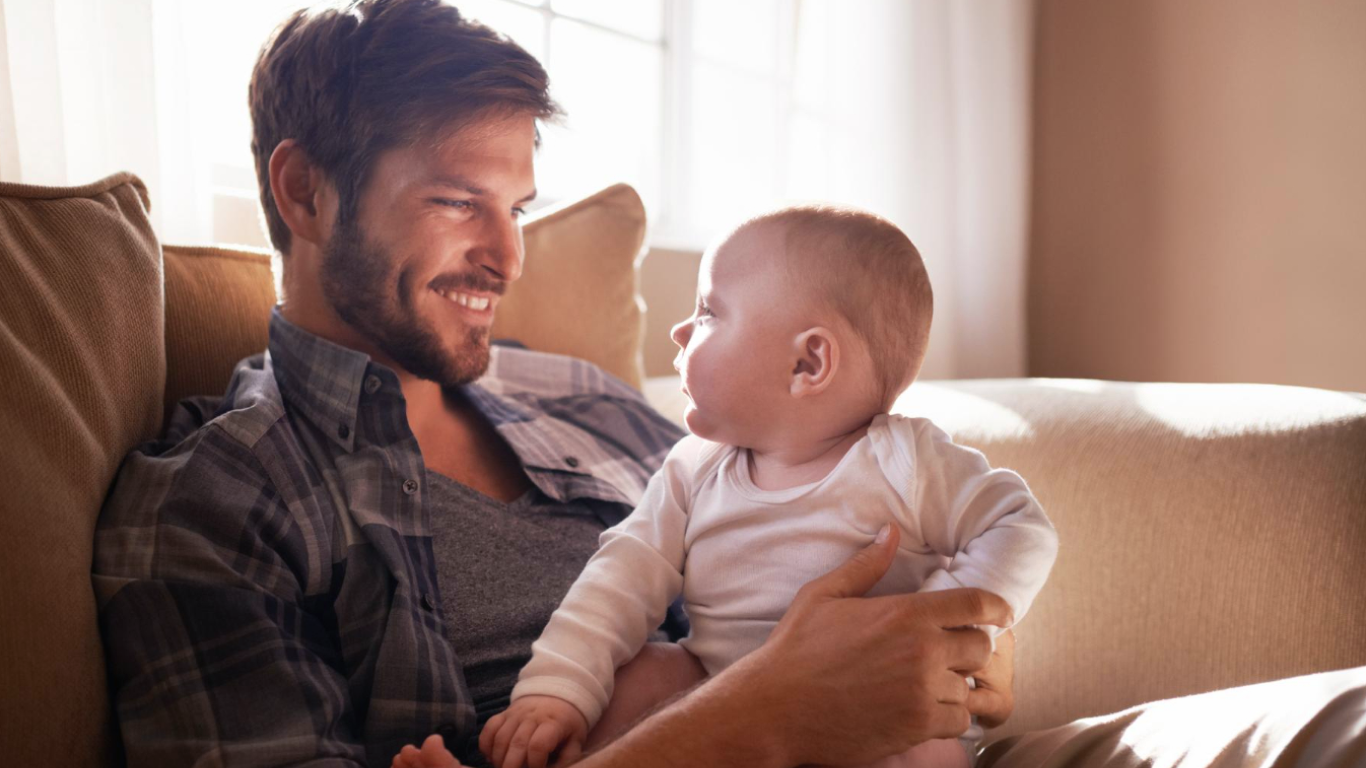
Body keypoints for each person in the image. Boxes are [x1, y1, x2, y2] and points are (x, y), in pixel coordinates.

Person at [92, 2, 1017, 766]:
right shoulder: (221, 500)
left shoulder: (577, 396)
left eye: (517, 208)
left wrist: (950, 650)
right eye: (459, 201)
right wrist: (772, 710)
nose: (506, 256)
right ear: (304, 192)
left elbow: (812, 520)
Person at [471, 207, 1059, 768]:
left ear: (808, 364)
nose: (679, 331)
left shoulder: (907, 461)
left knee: (925, 751)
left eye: (707, 313)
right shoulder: (694, 468)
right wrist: (555, 691)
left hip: (875, 708)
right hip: (716, 688)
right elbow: (618, 578)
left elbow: (1019, 526)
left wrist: (944, 621)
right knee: (641, 675)